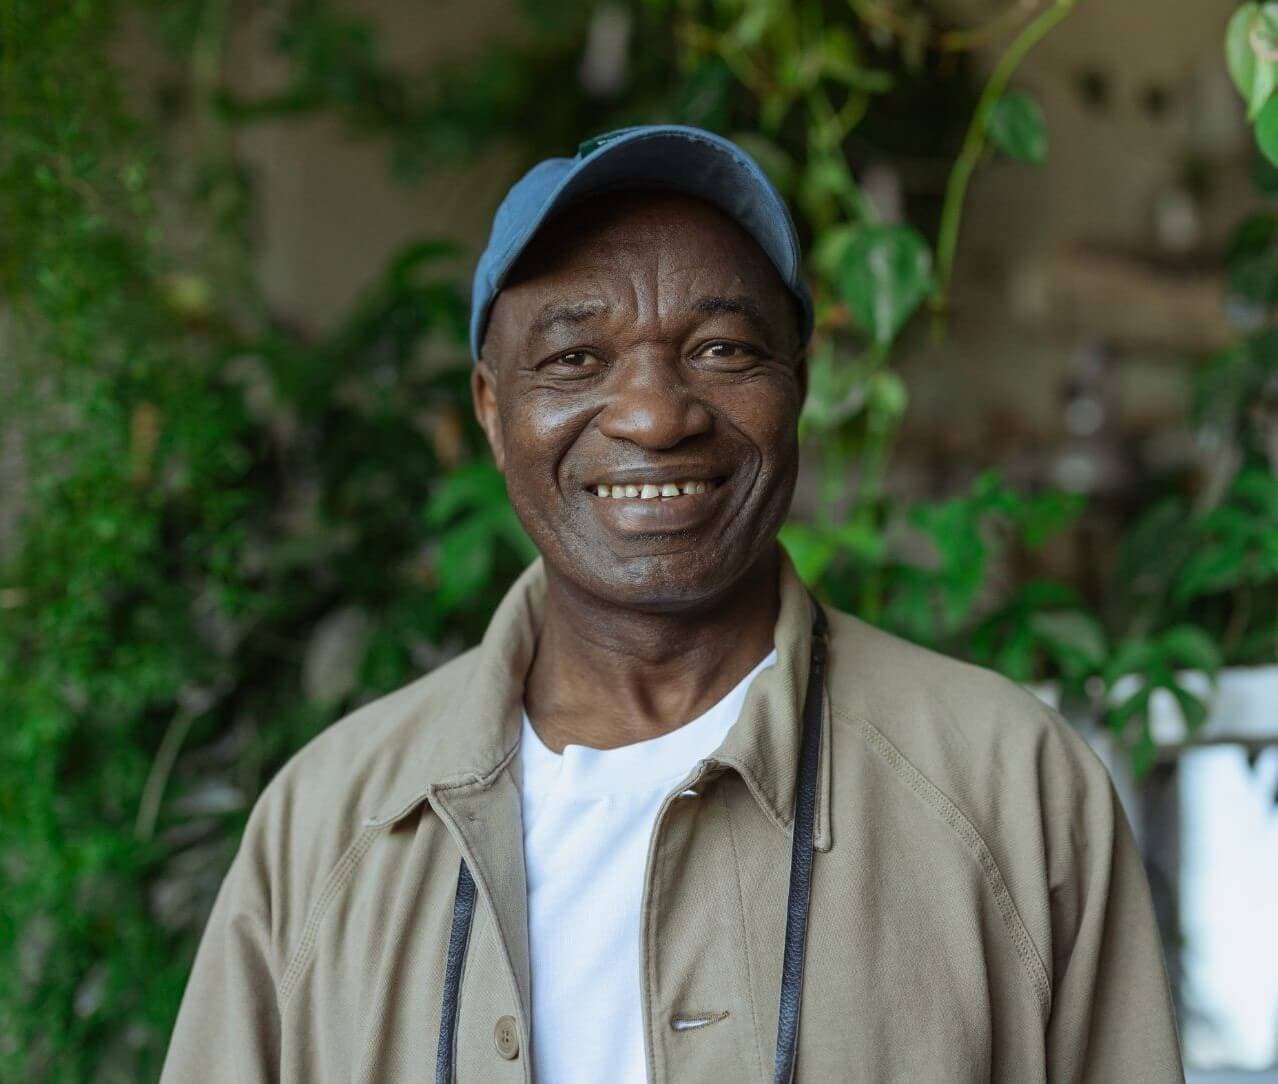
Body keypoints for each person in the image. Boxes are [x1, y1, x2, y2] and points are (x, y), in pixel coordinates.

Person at [160, 125, 1184, 1083]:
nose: (653, 413)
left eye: (723, 350)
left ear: (800, 385)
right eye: (574, 359)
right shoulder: (330, 821)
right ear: (490, 407)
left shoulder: (1009, 788)